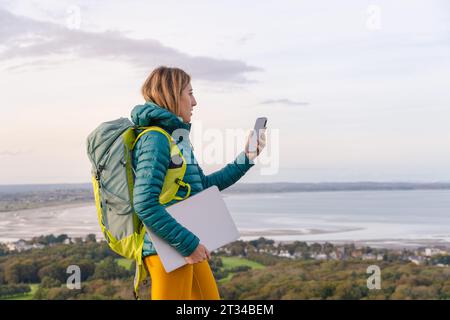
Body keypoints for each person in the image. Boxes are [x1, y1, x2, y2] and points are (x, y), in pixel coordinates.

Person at [131, 66, 266, 300]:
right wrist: (187, 244)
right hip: (168, 249)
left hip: (185, 244)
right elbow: (144, 204)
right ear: (172, 95)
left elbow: (202, 186)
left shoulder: (177, 139)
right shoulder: (155, 139)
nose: (195, 102)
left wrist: (247, 158)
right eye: (189, 93)